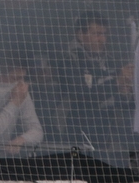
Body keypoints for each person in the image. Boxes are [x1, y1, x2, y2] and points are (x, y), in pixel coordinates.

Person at [57, 11, 134, 163]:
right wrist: (116, 83)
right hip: (77, 133)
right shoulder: (69, 59)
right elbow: (82, 96)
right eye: (96, 34)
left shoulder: (111, 61)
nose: (102, 39)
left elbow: (123, 102)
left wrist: (126, 91)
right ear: (81, 35)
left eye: (104, 34)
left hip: (109, 136)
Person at [0, 54, 44, 157]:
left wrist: (21, 140)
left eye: (22, 78)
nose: (21, 83)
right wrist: (14, 103)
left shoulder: (20, 91)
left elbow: (37, 131)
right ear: (1, 73)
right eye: (16, 78)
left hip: (6, 155)